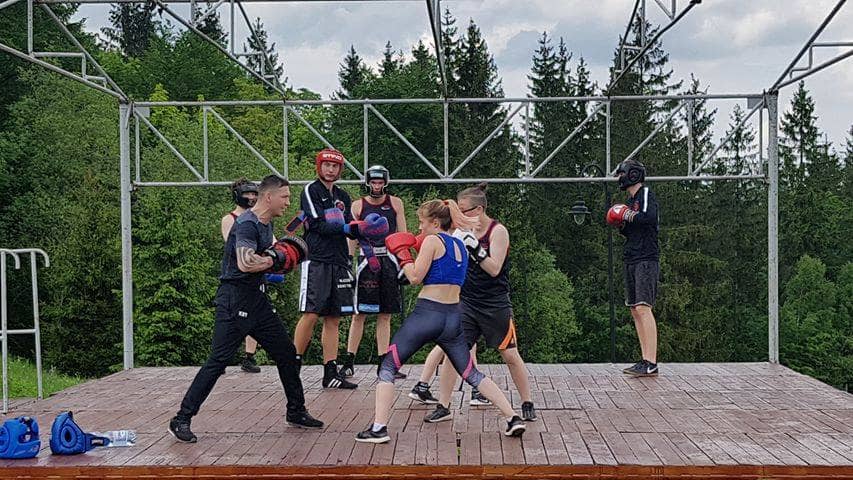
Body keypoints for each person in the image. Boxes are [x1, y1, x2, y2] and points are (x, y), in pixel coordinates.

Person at [354, 199, 526, 444]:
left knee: (388, 367)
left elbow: (415, 277)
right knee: (471, 372)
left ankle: (379, 428)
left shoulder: (433, 241)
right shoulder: (460, 244)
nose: (419, 227)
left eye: (422, 222)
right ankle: (512, 417)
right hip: (453, 316)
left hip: (428, 314)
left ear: (435, 222)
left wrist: (403, 256)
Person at [168, 175, 323, 444]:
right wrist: (275, 258)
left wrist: (279, 257)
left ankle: (296, 410)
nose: (288, 202)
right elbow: (245, 264)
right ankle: (181, 418)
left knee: (287, 353)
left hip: (257, 300)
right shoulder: (247, 223)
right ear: (269, 197)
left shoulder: (266, 223)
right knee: (218, 361)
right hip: (234, 300)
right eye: (285, 197)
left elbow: (270, 258)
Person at [412, 183, 537, 423]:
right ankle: (444, 405)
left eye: (463, 210)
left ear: (478, 210)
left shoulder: (497, 231)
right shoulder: (458, 232)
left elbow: (494, 269)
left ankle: (527, 401)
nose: (459, 215)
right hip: (466, 301)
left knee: (510, 354)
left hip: (494, 303)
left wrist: (476, 249)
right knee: (452, 352)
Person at [293, 148, 388, 389]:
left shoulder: (343, 196)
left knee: (334, 317)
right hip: (316, 259)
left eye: (335, 166)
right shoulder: (311, 190)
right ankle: (292, 364)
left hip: (339, 259)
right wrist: (348, 228)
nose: (330, 170)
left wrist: (364, 228)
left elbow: (348, 227)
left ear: (340, 170)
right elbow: (316, 223)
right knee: (311, 313)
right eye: (327, 165)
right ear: (319, 166)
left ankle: (330, 371)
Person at [339, 165, 408, 380]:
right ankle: (348, 362)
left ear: (385, 183)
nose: (376, 186)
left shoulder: (395, 203)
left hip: (389, 260)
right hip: (366, 262)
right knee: (359, 314)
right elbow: (352, 236)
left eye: (380, 182)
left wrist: (406, 263)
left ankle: (383, 364)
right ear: (368, 183)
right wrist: (348, 263)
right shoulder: (358, 205)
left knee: (385, 315)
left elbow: (403, 234)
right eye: (373, 182)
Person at [606, 158, 660, 376]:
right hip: (632, 256)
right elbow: (632, 228)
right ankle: (644, 358)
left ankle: (651, 362)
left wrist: (626, 215)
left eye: (622, 174)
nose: (619, 178)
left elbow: (649, 218)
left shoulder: (645, 194)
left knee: (644, 307)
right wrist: (621, 223)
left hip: (646, 257)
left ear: (632, 174)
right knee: (635, 308)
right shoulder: (630, 201)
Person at [221, 178, 263, 373]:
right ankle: (221, 357)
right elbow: (234, 244)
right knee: (231, 317)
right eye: (247, 194)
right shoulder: (229, 219)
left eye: (254, 193)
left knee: (254, 314)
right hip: (236, 275)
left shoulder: (260, 219)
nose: (251, 197)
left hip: (256, 274)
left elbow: (272, 243)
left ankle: (249, 356)